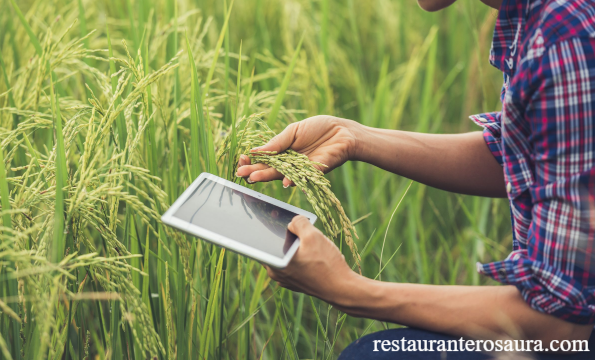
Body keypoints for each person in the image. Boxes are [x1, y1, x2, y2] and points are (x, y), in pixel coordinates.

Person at [236, 0, 595, 358]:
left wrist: (346, 289)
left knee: (374, 356)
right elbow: (532, 156)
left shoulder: (563, 34)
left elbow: (558, 323)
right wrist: (353, 136)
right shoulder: (540, 19)